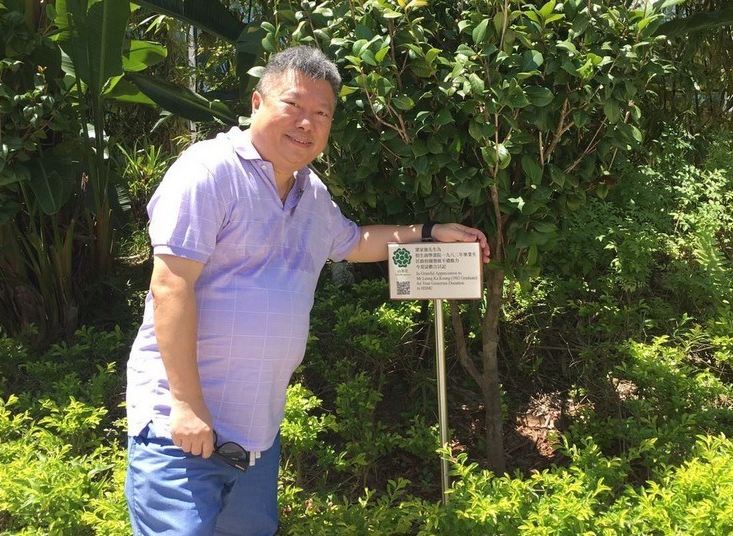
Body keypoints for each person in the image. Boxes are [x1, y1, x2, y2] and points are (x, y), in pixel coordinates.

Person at [124, 45, 490, 536]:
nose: (306, 123)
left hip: (256, 437)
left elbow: (354, 242)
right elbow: (170, 287)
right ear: (257, 104)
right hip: (185, 432)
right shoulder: (208, 171)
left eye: (321, 113)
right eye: (292, 106)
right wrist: (187, 406)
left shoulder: (310, 193)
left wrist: (431, 231)